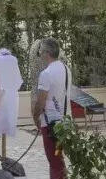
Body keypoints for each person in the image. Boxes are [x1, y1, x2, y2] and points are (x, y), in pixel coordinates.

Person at [32, 38, 71, 179]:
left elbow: (41, 101)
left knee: (54, 161)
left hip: (51, 126)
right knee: (58, 158)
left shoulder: (46, 73)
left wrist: (35, 117)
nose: (40, 54)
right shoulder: (66, 69)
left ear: (47, 53)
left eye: (41, 51)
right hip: (64, 123)